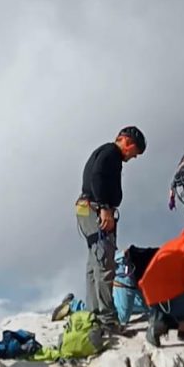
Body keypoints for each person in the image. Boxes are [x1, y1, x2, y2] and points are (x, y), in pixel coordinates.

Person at [75, 126, 147, 331]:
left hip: (85, 207)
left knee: (94, 263)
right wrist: (105, 208)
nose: (133, 157)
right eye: (136, 152)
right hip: (95, 208)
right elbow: (97, 176)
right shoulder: (111, 153)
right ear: (129, 143)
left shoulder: (105, 152)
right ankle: (107, 319)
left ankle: (93, 314)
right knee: (105, 262)